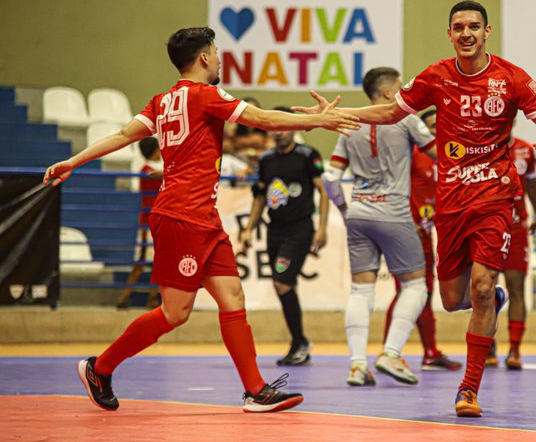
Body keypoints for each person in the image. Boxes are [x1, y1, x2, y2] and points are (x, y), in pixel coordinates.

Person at [43, 26, 359, 413]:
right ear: (205, 58)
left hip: (202, 217)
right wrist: (319, 122)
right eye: (217, 51)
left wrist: (73, 161)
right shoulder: (206, 95)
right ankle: (100, 368)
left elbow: (124, 135)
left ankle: (255, 390)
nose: (220, 58)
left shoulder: (162, 101)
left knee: (232, 298)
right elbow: (262, 120)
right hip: (181, 215)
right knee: (175, 313)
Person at [294, 0, 536, 417]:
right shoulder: (435, 77)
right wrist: (334, 116)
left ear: (487, 32)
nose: (466, 33)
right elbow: (388, 111)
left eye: (474, 26)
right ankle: (488, 299)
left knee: (478, 287)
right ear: (450, 33)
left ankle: (469, 390)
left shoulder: (512, 78)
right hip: (451, 203)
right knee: (454, 299)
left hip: (495, 197)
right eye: (458, 27)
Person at [322, 67, 436, 387]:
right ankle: (391, 353)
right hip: (395, 211)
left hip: (358, 211)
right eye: (399, 89)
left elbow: (330, 178)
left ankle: (357, 365)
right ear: (387, 94)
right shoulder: (406, 118)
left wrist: (346, 210)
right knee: (416, 286)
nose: (403, 95)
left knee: (361, 290)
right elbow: (440, 154)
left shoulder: (350, 124)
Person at [239, 108, 329, 366]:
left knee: (282, 283)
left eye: (283, 128)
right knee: (283, 285)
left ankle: (300, 341)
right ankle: (299, 341)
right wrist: (248, 230)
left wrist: (322, 228)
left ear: (293, 128)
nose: (278, 134)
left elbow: (323, 192)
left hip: (299, 230)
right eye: (273, 129)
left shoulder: (307, 155)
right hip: (273, 230)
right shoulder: (267, 160)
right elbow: (259, 197)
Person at [383, 109, 462, 372]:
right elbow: (393, 189)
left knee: (425, 292)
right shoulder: (413, 157)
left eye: (442, 124)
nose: (438, 130)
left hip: (433, 232)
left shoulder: (455, 156)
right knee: (410, 290)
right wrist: (408, 222)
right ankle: (389, 352)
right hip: (409, 230)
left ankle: (429, 353)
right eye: (431, 127)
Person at [486, 129, 536, 370]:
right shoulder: (482, 147)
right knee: (484, 289)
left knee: (516, 287)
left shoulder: (525, 149)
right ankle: (487, 349)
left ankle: (515, 349)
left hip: (517, 227)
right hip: (487, 226)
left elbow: (531, 183)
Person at [117, 136, 162, 310]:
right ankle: (126, 297)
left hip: (156, 222)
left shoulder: (151, 170)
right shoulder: (147, 170)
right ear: (155, 151)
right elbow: (162, 174)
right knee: (142, 262)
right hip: (149, 224)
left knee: (156, 262)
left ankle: (150, 298)